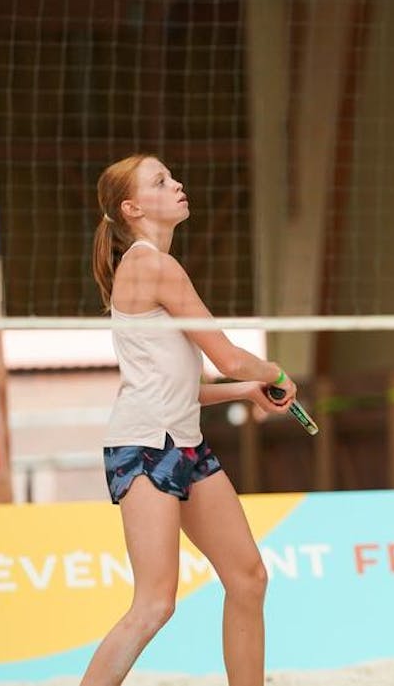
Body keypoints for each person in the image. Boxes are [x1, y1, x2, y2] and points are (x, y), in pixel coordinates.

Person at [82, 154, 297, 686]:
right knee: (155, 603)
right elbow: (228, 357)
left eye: (172, 175)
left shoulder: (150, 264)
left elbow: (183, 386)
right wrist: (274, 372)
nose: (177, 183)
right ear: (133, 208)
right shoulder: (150, 263)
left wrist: (248, 389)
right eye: (160, 181)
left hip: (184, 443)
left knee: (248, 577)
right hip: (145, 448)